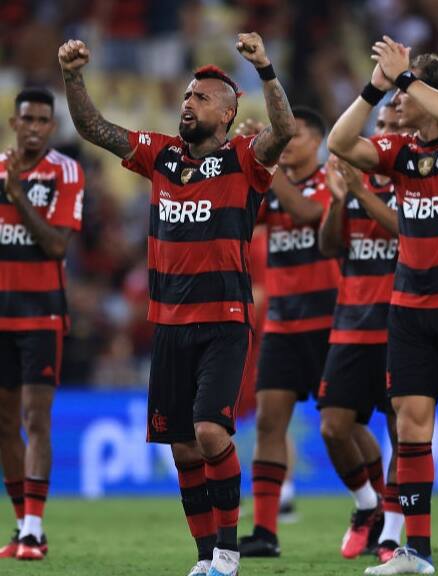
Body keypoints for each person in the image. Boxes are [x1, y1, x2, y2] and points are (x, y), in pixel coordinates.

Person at [58, 33, 296, 576]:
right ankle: (206, 558)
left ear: (228, 113)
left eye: (202, 98)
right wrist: (73, 76)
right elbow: (95, 129)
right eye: (187, 95)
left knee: (212, 433)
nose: (188, 102)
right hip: (168, 326)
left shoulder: (244, 159)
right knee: (185, 451)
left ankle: (231, 555)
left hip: (224, 323)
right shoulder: (161, 156)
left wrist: (265, 68)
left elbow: (283, 130)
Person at [328, 37, 438, 574]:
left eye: (403, 94)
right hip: (407, 306)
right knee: (411, 427)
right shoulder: (400, 154)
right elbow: (339, 142)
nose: (394, 105)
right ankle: (416, 552)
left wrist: (406, 77)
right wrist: (374, 85)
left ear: (432, 93)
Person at [238, 107, 340, 558]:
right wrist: (245, 163)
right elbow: (241, 221)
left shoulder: (332, 183)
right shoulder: (272, 187)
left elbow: (306, 214)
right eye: (284, 136)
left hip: (331, 321)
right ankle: (265, 530)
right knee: (268, 422)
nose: (289, 142)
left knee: (344, 427)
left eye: (295, 136)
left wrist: (268, 167)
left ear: (317, 140)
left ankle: (374, 507)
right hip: (281, 321)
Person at [0, 87, 84, 561]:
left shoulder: (65, 172)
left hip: (41, 313)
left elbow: (56, 246)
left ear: (51, 127)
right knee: (5, 423)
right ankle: (21, 527)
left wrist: (16, 195)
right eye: (26, 119)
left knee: (36, 418)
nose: (33, 127)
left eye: (42, 121)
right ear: (14, 123)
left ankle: (35, 527)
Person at [318, 102, 404, 563]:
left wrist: (359, 195)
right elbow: (329, 246)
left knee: (401, 434)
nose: (384, 134)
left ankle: (391, 535)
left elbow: (408, 232)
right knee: (334, 426)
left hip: (402, 327)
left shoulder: (416, 181)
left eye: (393, 127)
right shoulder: (353, 182)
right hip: (350, 325)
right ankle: (367, 505)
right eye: (381, 127)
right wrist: (337, 201)